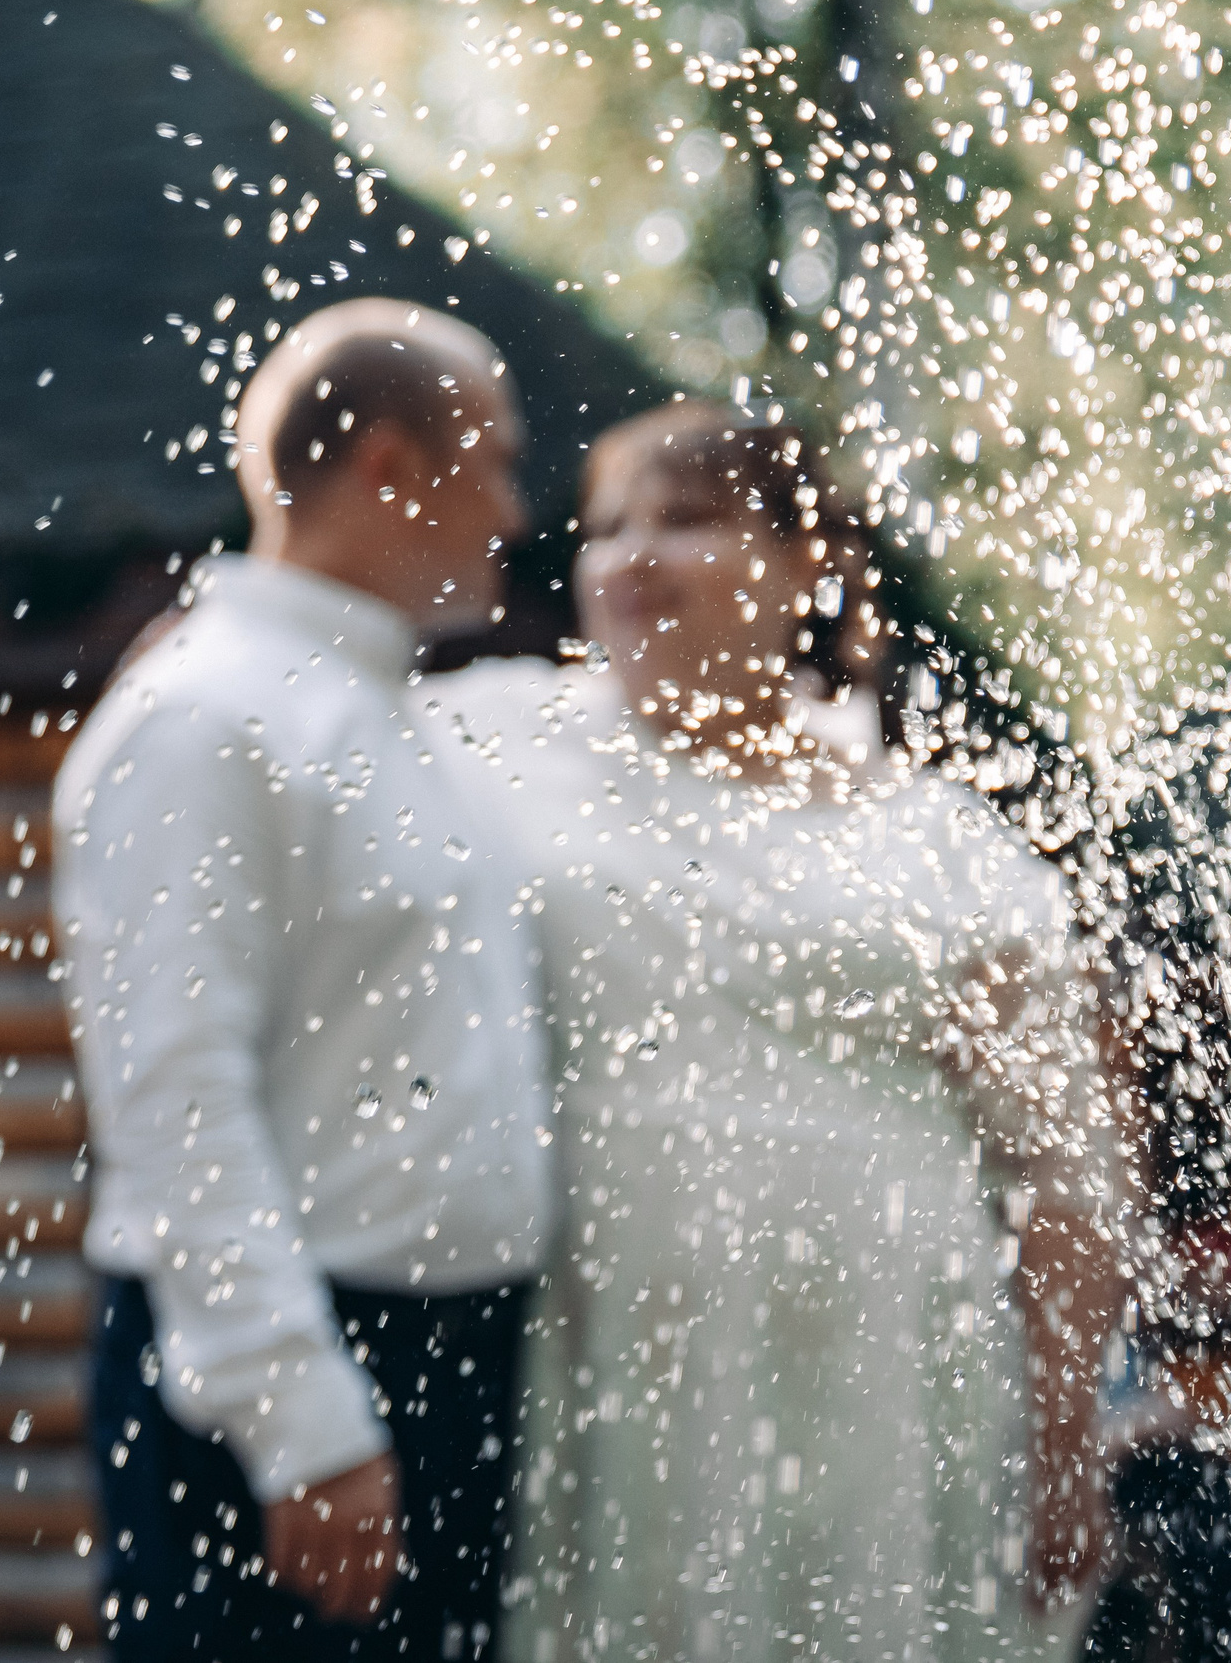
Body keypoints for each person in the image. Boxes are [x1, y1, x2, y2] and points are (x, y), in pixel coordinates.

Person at [417, 402, 1131, 1663]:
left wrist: (1063, 1441)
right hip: (610, 1353)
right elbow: (284, 717)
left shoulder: (937, 838)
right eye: (605, 527)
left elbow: (1061, 1173)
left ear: (808, 566)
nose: (630, 557)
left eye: (687, 520)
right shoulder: (492, 745)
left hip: (893, 1367)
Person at [52, 298, 560, 1662]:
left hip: (452, 1360)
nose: (517, 510)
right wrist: (303, 1423)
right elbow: (174, 1094)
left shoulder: (406, 716)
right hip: (296, 1377)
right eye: (497, 461)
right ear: (390, 467)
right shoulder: (200, 717)